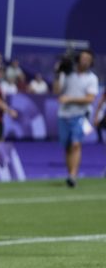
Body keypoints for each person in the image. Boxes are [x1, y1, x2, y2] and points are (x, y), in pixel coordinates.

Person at [53, 49, 99, 187]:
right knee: (67, 147)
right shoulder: (68, 74)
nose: (85, 61)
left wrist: (69, 99)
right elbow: (56, 91)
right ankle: (70, 175)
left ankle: (73, 175)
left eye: (88, 59)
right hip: (64, 114)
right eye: (83, 58)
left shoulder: (92, 78)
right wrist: (57, 74)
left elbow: (90, 99)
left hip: (81, 114)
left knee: (76, 144)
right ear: (78, 59)